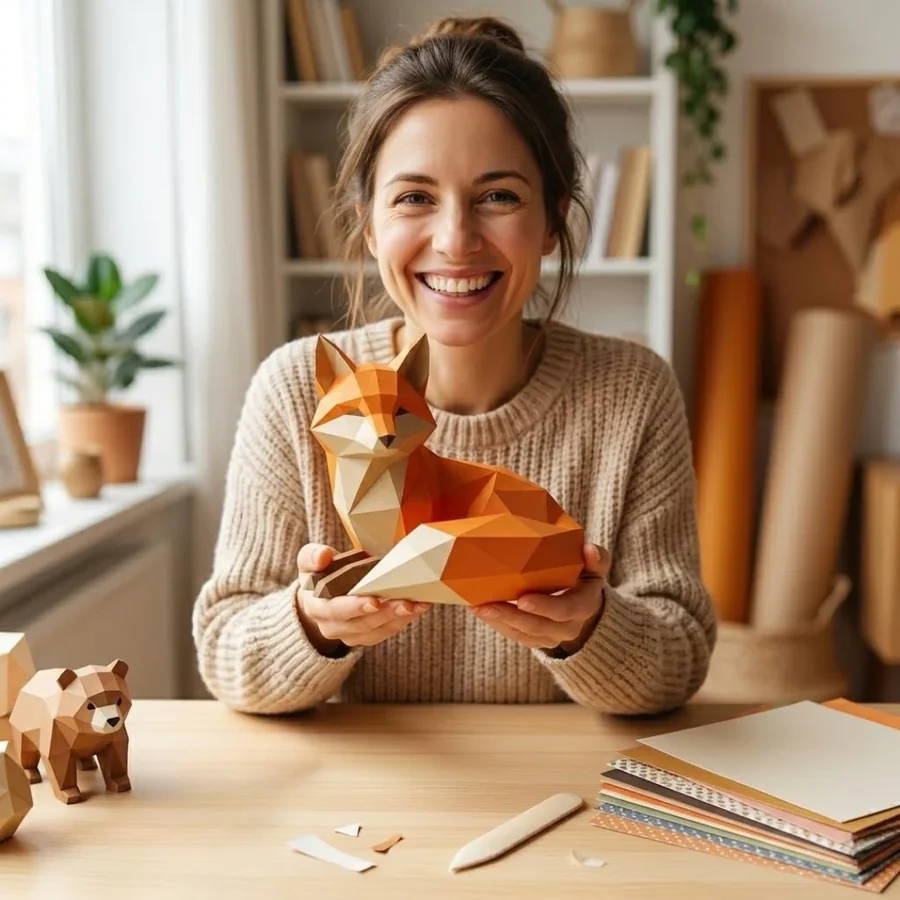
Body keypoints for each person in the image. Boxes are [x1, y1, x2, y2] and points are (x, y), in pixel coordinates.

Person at [192, 16, 716, 715]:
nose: (455, 239)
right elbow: (227, 652)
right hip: (361, 811)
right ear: (370, 223)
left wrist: (590, 629)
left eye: (498, 196)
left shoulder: (630, 393)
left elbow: (678, 659)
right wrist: (311, 627)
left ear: (554, 219)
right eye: (414, 198)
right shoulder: (298, 392)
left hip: (565, 797)